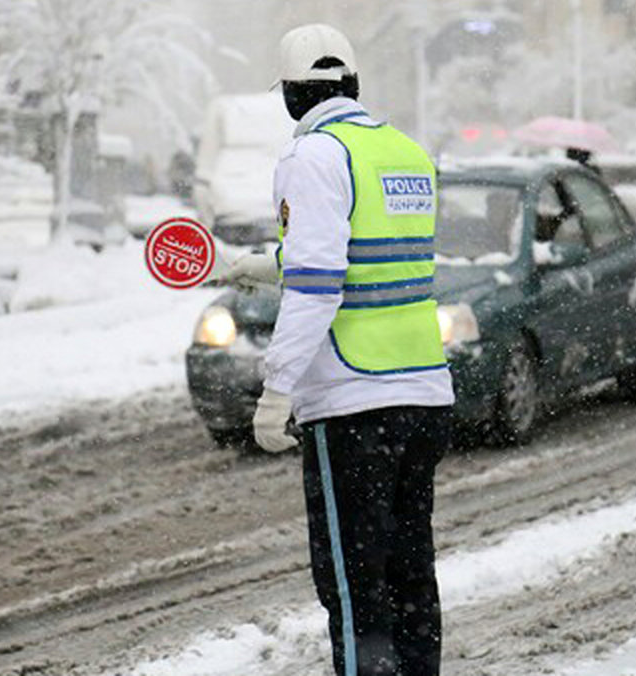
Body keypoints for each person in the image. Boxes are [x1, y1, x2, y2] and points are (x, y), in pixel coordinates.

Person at [216, 23, 454, 676]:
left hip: (354, 400)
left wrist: (277, 388)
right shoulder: (405, 152)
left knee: (353, 583)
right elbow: (368, 256)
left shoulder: (313, 157)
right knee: (409, 572)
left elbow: (320, 283)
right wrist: (259, 264)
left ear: (294, 94)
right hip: (423, 392)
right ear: (351, 83)